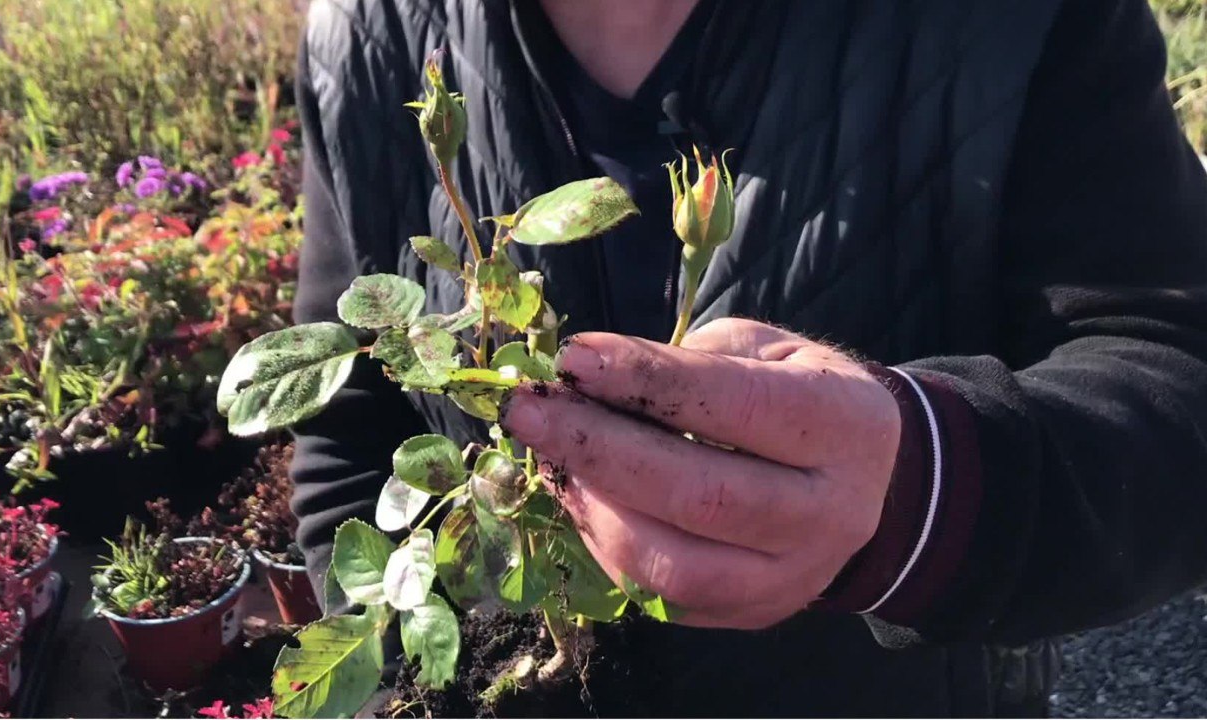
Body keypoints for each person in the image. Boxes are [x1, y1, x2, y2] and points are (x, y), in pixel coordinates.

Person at [289, 0, 1207, 715]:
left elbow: (1176, 371)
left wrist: (918, 494)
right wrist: (412, 685)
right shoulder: (366, 38)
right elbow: (347, 446)